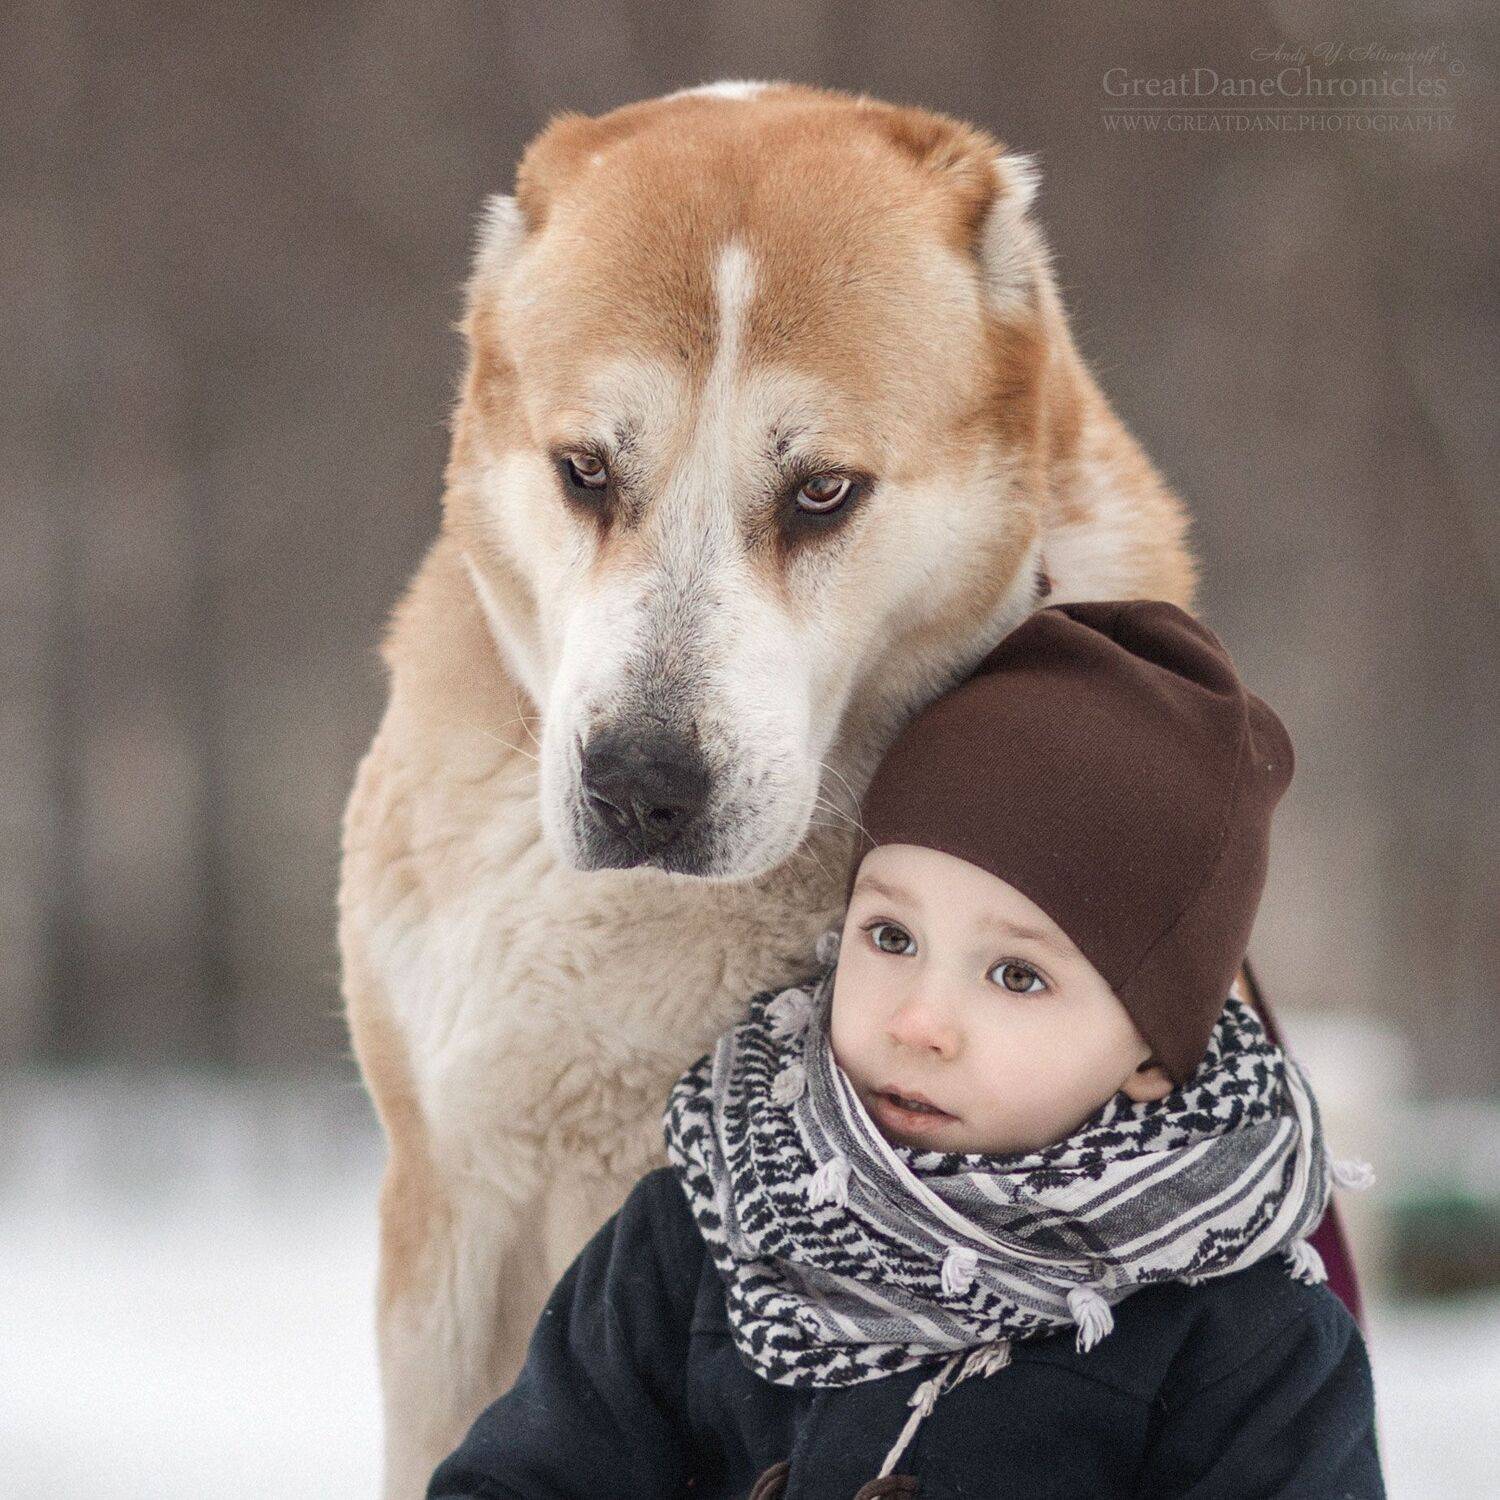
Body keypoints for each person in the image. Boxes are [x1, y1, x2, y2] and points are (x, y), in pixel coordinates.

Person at [429, 601, 1384, 1499]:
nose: (917, 1019)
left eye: (1017, 976)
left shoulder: (1248, 1340)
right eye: (891, 938)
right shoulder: (706, 1226)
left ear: (1151, 1049)